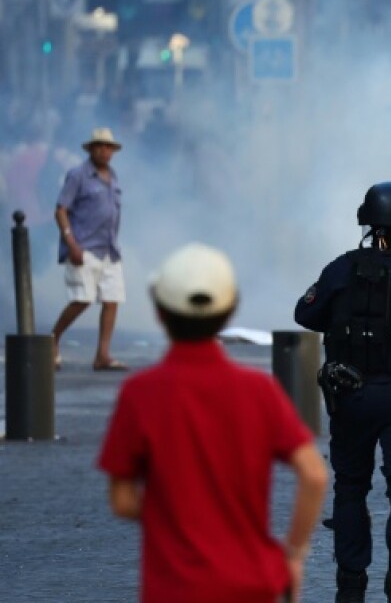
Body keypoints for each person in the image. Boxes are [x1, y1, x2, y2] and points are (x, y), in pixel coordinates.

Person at [97, 243, 328, 603]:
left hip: (174, 588)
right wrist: (294, 553)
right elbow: (314, 474)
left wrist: (174, 515)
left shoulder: (140, 393)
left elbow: (123, 500)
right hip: (254, 582)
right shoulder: (259, 390)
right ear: (230, 309)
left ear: (159, 312)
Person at [295, 182, 391, 603]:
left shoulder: (342, 269)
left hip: (353, 396)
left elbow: (305, 313)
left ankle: (350, 586)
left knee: (350, 487)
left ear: (367, 221)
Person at [50, 127, 126, 371]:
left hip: (108, 248)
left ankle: (102, 355)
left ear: (113, 152)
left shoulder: (113, 177)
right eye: (99, 146)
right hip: (83, 247)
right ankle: (53, 339)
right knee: (82, 299)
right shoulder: (78, 175)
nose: (104, 151)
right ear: (91, 149)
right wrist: (71, 242)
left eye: (108, 147)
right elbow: (61, 210)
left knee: (112, 300)